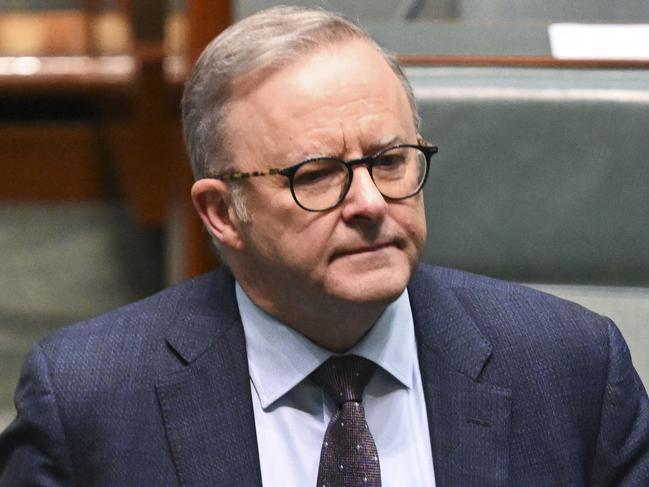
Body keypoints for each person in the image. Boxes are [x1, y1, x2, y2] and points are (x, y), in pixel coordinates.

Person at [1, 5, 648, 486]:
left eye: (390, 160)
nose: (368, 203)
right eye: (315, 175)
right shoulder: (91, 400)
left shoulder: (571, 371)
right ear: (223, 212)